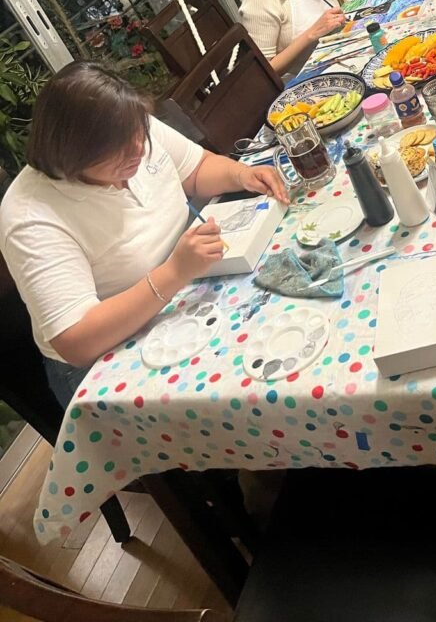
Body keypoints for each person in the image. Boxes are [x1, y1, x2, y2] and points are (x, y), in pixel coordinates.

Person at [0, 62, 289, 408]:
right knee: (242, 395)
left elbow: (196, 169)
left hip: (182, 291)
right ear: (72, 154)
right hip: (101, 360)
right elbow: (77, 341)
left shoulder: (127, 126)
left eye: (139, 134)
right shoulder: (30, 215)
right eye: (119, 150)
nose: (139, 149)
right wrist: (175, 272)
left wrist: (242, 175)